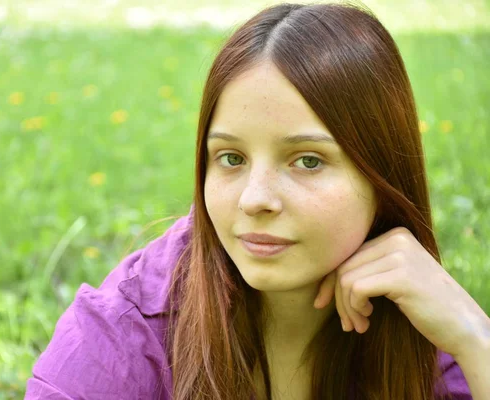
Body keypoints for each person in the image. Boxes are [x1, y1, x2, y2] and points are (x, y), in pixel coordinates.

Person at [24, 2, 490, 399]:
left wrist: (476, 338)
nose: (255, 199)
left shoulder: (426, 322)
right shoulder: (121, 336)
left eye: (307, 161)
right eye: (230, 157)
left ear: (382, 176)